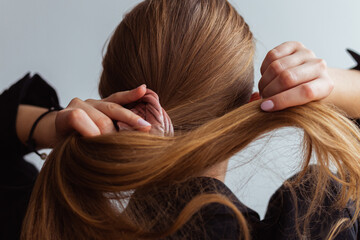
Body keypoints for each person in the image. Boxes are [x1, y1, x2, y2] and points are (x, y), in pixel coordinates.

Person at [1, 0, 360, 239]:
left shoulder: (43, 219)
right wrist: (332, 84)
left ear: (112, 99)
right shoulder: (318, 220)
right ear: (242, 118)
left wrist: (51, 126)